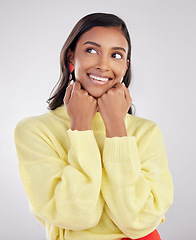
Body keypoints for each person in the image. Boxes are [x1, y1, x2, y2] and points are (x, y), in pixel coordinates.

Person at [14, 13, 173, 240]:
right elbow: (76, 216)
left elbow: (139, 221)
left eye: (116, 55)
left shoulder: (146, 132)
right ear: (71, 58)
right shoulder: (36, 131)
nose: (103, 65)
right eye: (91, 50)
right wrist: (80, 127)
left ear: (125, 66)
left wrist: (116, 127)